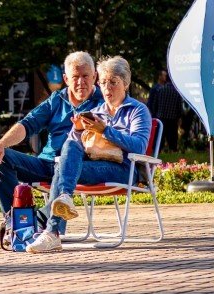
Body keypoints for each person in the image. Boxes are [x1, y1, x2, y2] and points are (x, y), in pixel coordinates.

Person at [26, 56, 151, 253]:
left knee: (62, 168)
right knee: (71, 144)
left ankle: (51, 232)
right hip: (95, 165)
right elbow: (75, 147)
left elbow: (139, 146)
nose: (107, 88)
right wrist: (76, 131)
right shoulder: (97, 111)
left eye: (113, 82)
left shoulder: (137, 110)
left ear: (125, 83)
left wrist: (106, 131)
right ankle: (64, 201)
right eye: (102, 82)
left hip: (125, 169)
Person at [0, 51, 103, 237]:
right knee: (1, 157)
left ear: (95, 76)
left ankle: (37, 226)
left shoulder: (103, 102)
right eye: (75, 77)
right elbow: (28, 124)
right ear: (65, 78)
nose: (81, 82)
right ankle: (14, 222)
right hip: (46, 163)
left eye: (85, 76)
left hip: (77, 167)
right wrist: (0, 144)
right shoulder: (57, 99)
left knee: (63, 163)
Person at [147, 69, 183, 152]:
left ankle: (158, 150)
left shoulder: (160, 90)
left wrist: (155, 114)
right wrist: (179, 117)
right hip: (173, 118)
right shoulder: (177, 92)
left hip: (161, 117)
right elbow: (179, 106)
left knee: (160, 135)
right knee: (173, 136)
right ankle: (173, 149)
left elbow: (155, 104)